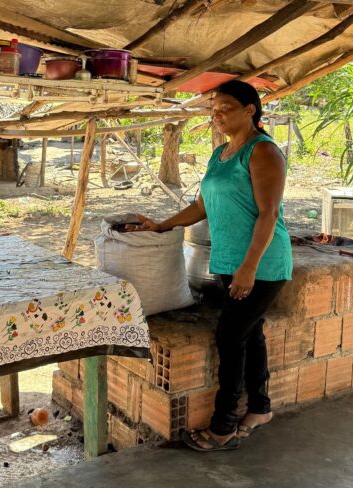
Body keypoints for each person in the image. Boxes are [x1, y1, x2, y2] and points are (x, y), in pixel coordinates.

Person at [127, 80, 292, 451]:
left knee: (230, 338)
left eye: (226, 107)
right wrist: (161, 225)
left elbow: (268, 215)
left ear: (251, 109)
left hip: (261, 263)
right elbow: (201, 207)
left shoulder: (263, 152)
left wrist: (249, 269)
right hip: (228, 261)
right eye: (214, 109)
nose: (217, 115)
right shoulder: (220, 154)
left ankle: (223, 426)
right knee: (250, 333)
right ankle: (260, 408)